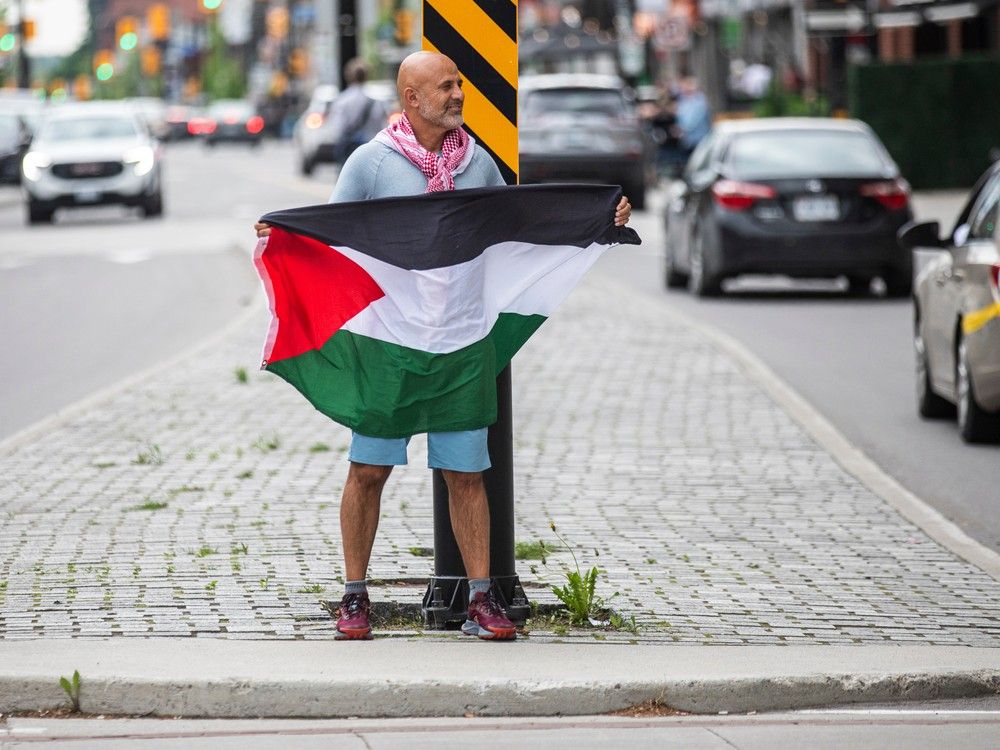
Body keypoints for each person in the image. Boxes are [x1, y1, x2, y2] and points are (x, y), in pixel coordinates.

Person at [255, 51, 632, 641]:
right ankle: (354, 599)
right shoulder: (371, 166)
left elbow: (520, 229)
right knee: (369, 469)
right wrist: (287, 237)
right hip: (392, 348)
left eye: (458, 84)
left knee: (466, 474)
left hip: (458, 343)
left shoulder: (477, 164)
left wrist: (596, 221)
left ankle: (482, 600)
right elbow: (333, 240)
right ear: (412, 98)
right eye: (446, 86)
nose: (458, 94)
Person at [325, 58, 387, 165]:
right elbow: (381, 127)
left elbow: (337, 129)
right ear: (366, 76)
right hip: (370, 150)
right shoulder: (375, 102)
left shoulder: (342, 100)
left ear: (348, 76)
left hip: (348, 150)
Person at [673, 77, 712, 158]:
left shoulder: (700, 101)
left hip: (699, 140)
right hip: (686, 141)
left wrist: (681, 128)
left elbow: (691, 122)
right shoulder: (682, 101)